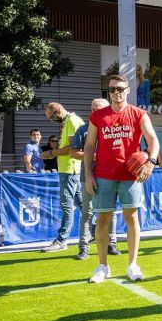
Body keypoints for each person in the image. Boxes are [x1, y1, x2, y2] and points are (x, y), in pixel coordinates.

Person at [84, 74, 160, 283]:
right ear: (107, 92)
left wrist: (150, 162)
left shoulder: (138, 114)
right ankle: (102, 266)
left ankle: (133, 264)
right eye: (112, 89)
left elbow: (153, 139)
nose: (116, 92)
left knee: (132, 218)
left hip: (130, 176)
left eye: (120, 88)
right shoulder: (98, 116)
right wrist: (88, 175)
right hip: (104, 175)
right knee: (102, 219)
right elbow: (89, 147)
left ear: (128, 90)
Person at [70, 98, 120, 261]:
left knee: (110, 212)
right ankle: (83, 248)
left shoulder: (115, 128)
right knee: (88, 213)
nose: (94, 112)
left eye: (97, 109)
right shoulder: (83, 130)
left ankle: (111, 244)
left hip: (110, 176)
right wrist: (93, 155)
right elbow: (72, 152)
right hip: (88, 177)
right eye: (92, 109)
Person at [41, 103, 85, 253]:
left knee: (67, 205)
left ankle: (61, 240)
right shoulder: (69, 121)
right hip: (71, 170)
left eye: (52, 117)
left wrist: (52, 153)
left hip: (70, 170)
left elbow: (73, 148)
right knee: (82, 205)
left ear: (58, 110)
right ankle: (95, 231)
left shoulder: (72, 121)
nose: (52, 120)